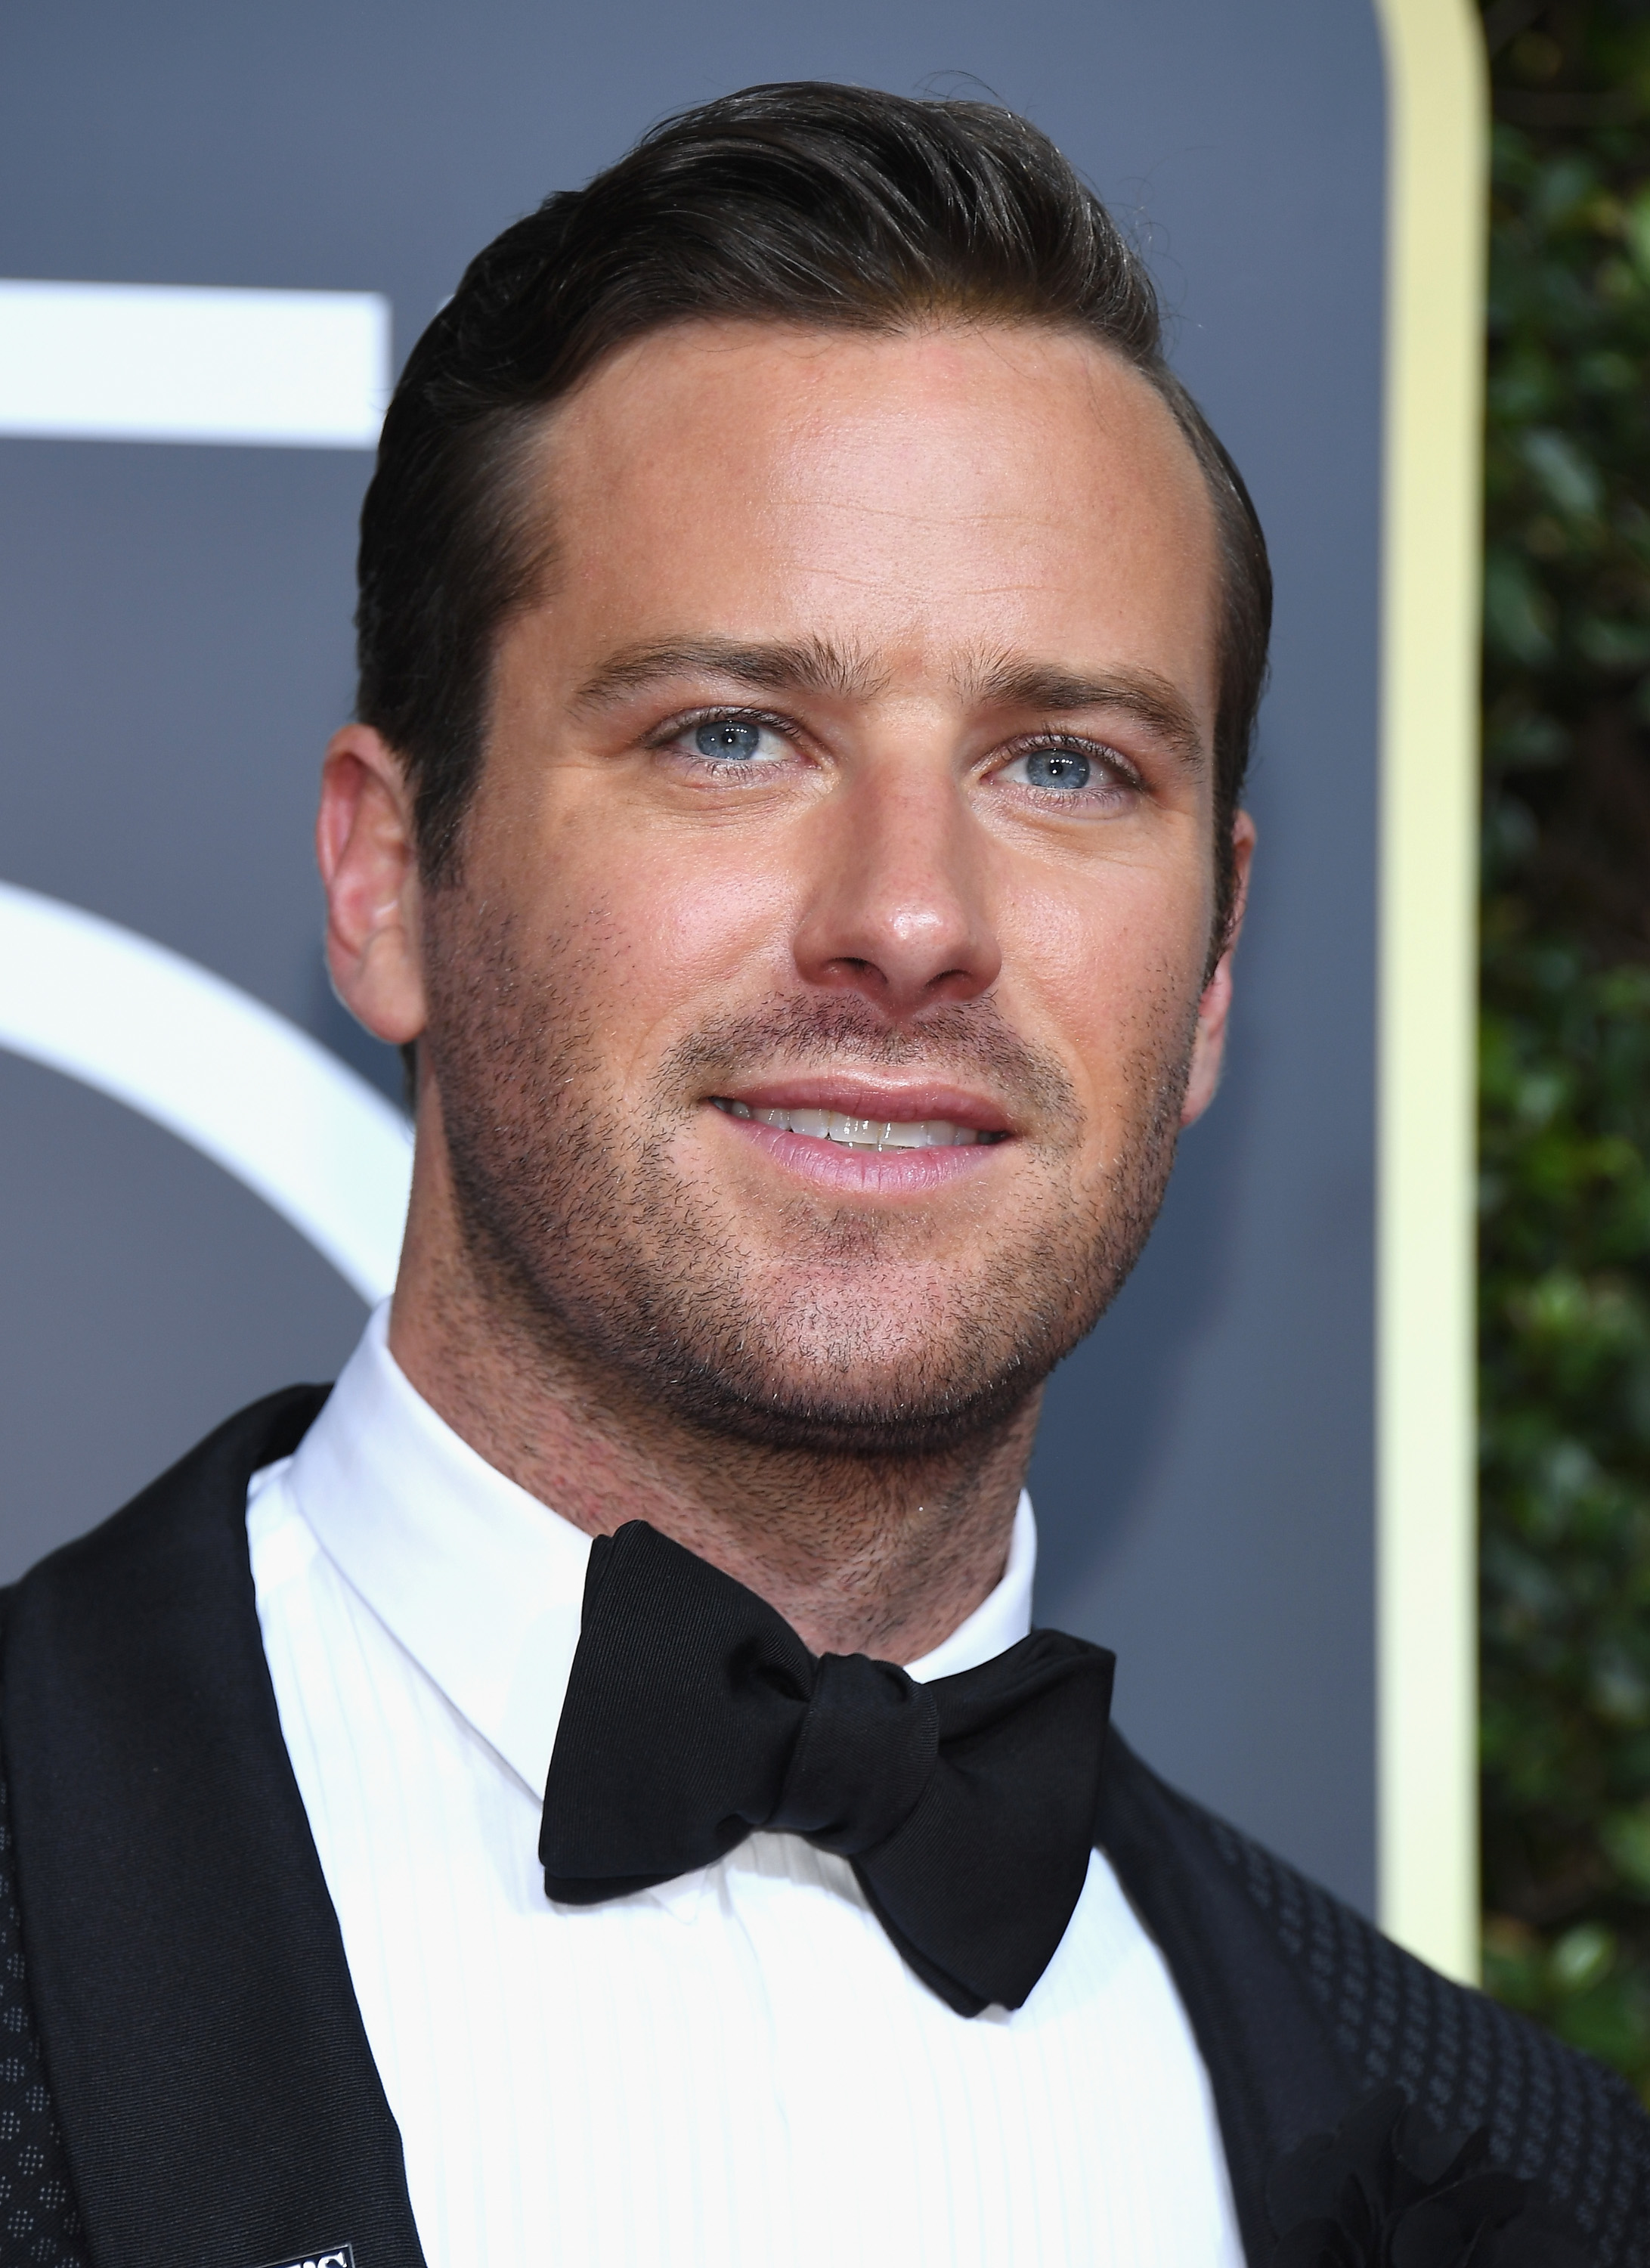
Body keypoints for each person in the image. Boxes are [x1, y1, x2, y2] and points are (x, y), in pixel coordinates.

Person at [0, 81, 1642, 2268]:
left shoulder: (1537, 2175)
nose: (912, 917)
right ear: (389, 876)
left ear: (1217, 970)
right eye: (732, 734)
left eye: (1065, 765)